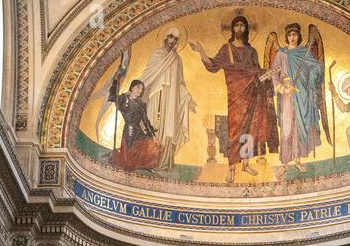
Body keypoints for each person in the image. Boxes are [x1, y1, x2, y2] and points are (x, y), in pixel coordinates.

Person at [191, 13, 280, 182]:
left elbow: (257, 72)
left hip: (253, 95)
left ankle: (245, 163)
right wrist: (201, 52)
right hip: (236, 96)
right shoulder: (227, 49)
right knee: (235, 130)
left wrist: (267, 75)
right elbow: (212, 65)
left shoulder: (252, 51)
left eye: (242, 26)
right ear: (232, 29)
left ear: (246, 29)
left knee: (250, 129)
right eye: (236, 26)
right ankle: (232, 167)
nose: (239, 29)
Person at [262, 23, 326, 178]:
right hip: (287, 96)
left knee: (299, 127)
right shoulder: (282, 54)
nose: (292, 37)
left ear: (299, 36)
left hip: (302, 94)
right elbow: (274, 74)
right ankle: (284, 163)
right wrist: (282, 88)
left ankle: (297, 160)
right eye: (290, 35)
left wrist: (312, 75)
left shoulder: (304, 52)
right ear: (286, 37)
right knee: (287, 127)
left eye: (295, 34)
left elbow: (317, 68)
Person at [134, 24, 198, 170]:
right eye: (170, 36)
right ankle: (148, 161)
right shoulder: (157, 55)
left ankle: (163, 163)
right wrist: (133, 91)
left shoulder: (177, 59)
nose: (173, 40)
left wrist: (188, 99)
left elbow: (181, 83)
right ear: (165, 37)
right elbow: (147, 75)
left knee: (169, 128)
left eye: (176, 39)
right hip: (156, 96)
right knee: (152, 125)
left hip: (171, 101)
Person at [107, 74, 163, 172]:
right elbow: (112, 96)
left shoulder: (142, 104)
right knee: (128, 159)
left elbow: (145, 120)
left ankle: (145, 165)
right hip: (129, 130)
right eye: (138, 87)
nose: (140, 90)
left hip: (138, 130)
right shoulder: (124, 98)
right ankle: (119, 157)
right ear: (132, 88)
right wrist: (116, 81)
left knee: (153, 145)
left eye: (142, 88)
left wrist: (153, 135)